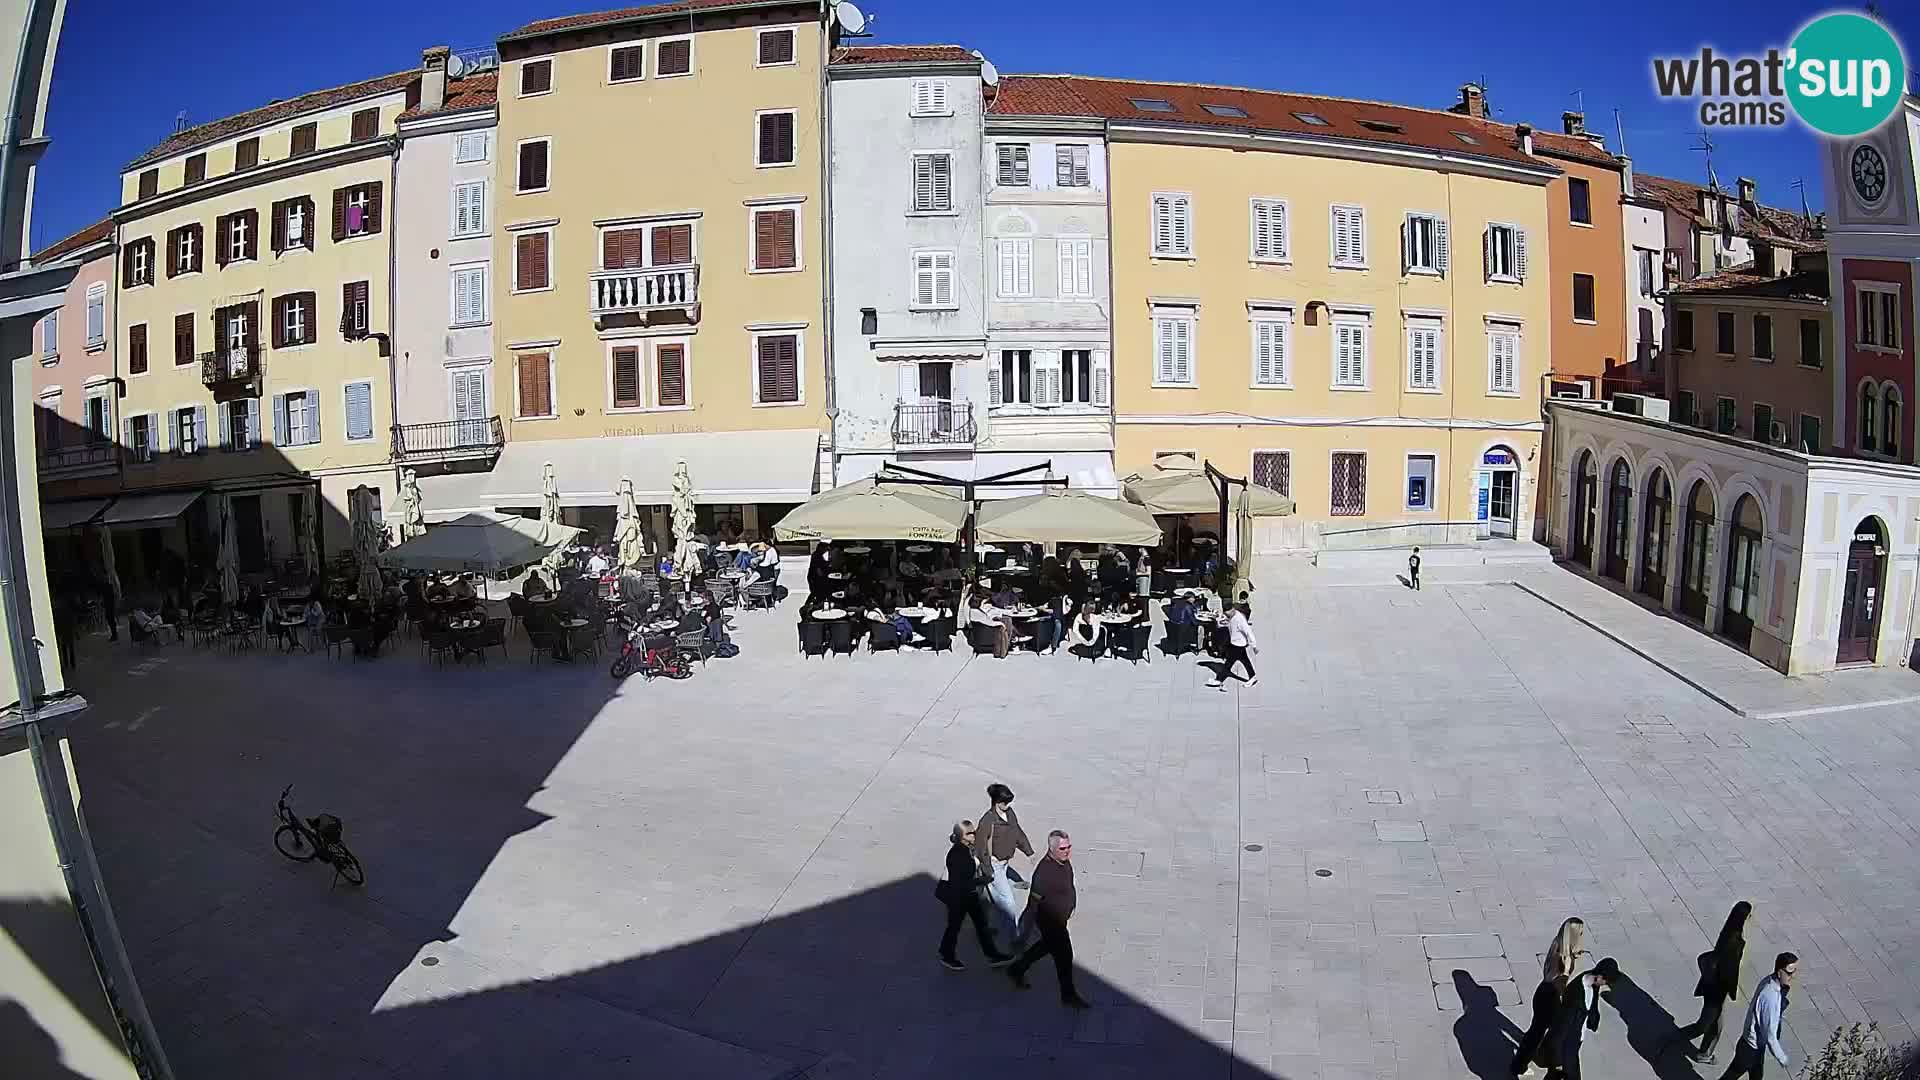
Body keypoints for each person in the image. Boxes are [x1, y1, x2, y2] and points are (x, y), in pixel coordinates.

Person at [1006, 830, 1089, 1010]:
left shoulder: (1064, 862)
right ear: (1051, 849)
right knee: (1065, 957)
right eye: (1062, 848)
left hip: (1061, 919)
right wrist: (1025, 932)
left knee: (1046, 946)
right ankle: (1068, 995)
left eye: (1069, 847)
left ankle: (1016, 969)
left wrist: (1071, 904)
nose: (1067, 851)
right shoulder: (1043, 874)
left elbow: (1069, 885)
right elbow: (1032, 905)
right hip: (1051, 923)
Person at [1671, 901, 1751, 1067]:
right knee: (1705, 1025)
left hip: (1713, 988)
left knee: (1715, 1024)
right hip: (1716, 991)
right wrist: (1729, 989)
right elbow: (1728, 968)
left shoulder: (1728, 933)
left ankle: (1704, 1053)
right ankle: (1677, 1038)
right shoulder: (1735, 941)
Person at [938, 820, 1015, 971]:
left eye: (973, 831)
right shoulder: (957, 855)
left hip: (969, 895)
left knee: (981, 925)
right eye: (969, 833)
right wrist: (981, 880)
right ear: (961, 837)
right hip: (958, 897)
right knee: (954, 927)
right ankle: (946, 955)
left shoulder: (967, 848)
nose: (973, 834)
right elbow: (960, 883)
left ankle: (992, 955)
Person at [1514, 918, 1586, 1075]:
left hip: (1542, 992)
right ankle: (1522, 1065)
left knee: (1536, 1031)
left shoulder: (1556, 945)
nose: (1582, 935)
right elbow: (1561, 985)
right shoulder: (1565, 960)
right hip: (1551, 998)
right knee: (1548, 1034)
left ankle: (1522, 1061)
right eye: (1580, 932)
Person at [973, 783, 1033, 952]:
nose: (1008, 806)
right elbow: (981, 847)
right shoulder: (987, 821)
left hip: (1005, 863)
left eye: (1008, 802)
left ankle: (984, 922)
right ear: (996, 802)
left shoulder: (1010, 814)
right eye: (1005, 802)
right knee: (1008, 903)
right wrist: (988, 870)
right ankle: (1014, 938)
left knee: (994, 900)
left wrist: (1028, 851)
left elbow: (1017, 832)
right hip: (994, 866)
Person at [1719, 953, 1795, 1080]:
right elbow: (1770, 1035)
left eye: (1794, 972)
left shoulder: (1770, 981)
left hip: (1755, 1046)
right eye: (1789, 973)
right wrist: (1783, 1058)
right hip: (1749, 1049)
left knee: (1756, 1076)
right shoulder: (1769, 997)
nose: (1792, 976)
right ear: (1779, 971)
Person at [1547, 957, 1618, 1080]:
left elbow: (1592, 1004)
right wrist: (1558, 1058)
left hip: (1577, 1036)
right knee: (1568, 1073)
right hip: (1569, 1041)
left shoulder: (1592, 981)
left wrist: (1593, 1019)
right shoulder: (1575, 996)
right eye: (1606, 982)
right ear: (1600, 977)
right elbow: (1562, 1027)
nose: (1605, 985)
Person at [1207, 601, 1259, 689]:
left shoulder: (1240, 619)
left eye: (1227, 612)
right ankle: (1252, 677)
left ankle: (1219, 680)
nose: (1226, 614)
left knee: (1228, 663)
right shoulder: (1232, 616)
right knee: (1245, 661)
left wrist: (1254, 645)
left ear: (1232, 610)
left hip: (1238, 644)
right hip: (1235, 643)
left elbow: (1248, 632)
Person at [969, 594, 1011, 659]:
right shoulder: (977, 613)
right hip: (986, 634)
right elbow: (990, 623)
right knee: (1005, 623)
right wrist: (1001, 624)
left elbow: (986, 620)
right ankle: (1009, 643)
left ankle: (1013, 640)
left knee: (1006, 620)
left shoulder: (973, 611)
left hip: (981, 633)